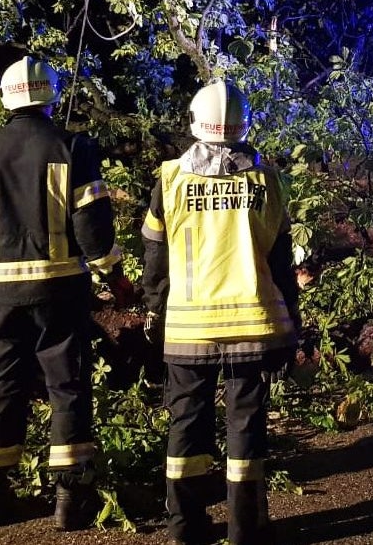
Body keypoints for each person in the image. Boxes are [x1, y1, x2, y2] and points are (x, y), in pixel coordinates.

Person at [0, 56, 133, 530]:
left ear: (6, 98)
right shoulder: (73, 147)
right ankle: (70, 499)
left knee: (0, 386)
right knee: (66, 385)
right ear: (51, 95)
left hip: (0, 294)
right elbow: (91, 223)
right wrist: (113, 274)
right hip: (60, 289)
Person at [140, 80, 300, 545]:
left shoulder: (171, 179)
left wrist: (156, 310)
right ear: (243, 125)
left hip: (188, 326)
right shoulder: (267, 180)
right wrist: (292, 321)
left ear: (195, 121)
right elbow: (281, 261)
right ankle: (244, 529)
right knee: (245, 427)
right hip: (252, 324)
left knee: (186, 425)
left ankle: (183, 527)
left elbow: (155, 256)